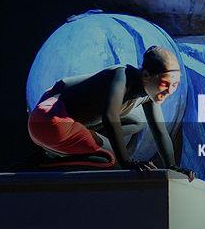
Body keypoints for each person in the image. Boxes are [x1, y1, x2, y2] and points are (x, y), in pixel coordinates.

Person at [27, 45, 194, 180]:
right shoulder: (121, 76)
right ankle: (46, 161)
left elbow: (160, 131)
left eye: (175, 85)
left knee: (137, 121)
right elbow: (110, 117)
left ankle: (66, 149)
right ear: (146, 75)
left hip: (63, 120)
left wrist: (172, 166)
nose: (169, 91)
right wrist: (127, 162)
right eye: (165, 84)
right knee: (113, 161)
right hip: (50, 119)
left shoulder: (149, 92)